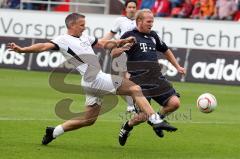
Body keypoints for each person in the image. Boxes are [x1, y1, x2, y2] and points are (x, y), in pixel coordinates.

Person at [7, 13, 177, 145]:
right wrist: (22, 50)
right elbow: (43, 46)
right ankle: (155, 120)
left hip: (90, 82)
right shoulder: (63, 40)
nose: (84, 27)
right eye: (81, 25)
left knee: (88, 120)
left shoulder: (84, 38)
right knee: (135, 88)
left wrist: (123, 40)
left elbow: (104, 43)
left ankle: (54, 132)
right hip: (95, 78)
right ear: (72, 25)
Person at [111, 9, 186, 146]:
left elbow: (166, 50)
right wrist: (122, 48)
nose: (151, 24)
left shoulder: (153, 36)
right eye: (149, 21)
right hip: (139, 80)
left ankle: (157, 121)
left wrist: (177, 66)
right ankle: (127, 126)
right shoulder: (129, 35)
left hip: (157, 78)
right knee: (143, 115)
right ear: (139, 21)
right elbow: (113, 53)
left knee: (174, 103)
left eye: (152, 21)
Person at [103, 0, 138, 113]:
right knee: (126, 78)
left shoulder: (140, 21)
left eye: (134, 7)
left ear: (136, 9)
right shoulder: (120, 20)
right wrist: (103, 41)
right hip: (122, 52)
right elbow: (111, 33)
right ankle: (131, 105)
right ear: (126, 8)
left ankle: (131, 103)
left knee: (130, 79)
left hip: (135, 53)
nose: (132, 9)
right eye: (130, 7)